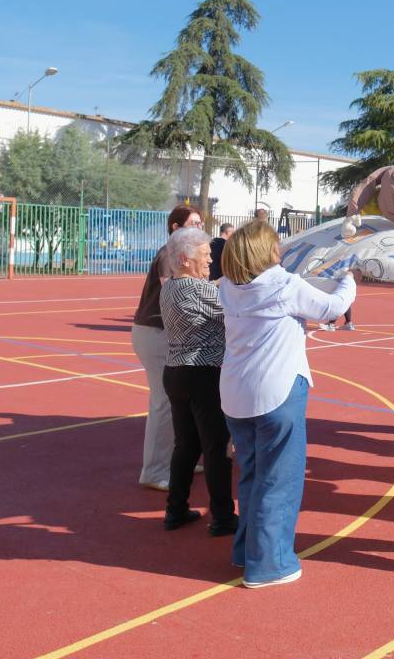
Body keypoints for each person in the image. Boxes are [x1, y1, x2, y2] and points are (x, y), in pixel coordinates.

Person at [219, 220, 357, 588]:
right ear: (269, 252)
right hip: (276, 390)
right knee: (279, 477)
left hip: (235, 393)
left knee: (251, 474)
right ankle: (269, 563)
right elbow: (332, 306)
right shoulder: (284, 285)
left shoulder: (228, 288)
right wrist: (349, 278)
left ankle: (245, 550)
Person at [158, 227, 237, 536]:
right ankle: (222, 516)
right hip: (203, 373)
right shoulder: (198, 290)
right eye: (205, 256)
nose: (210, 261)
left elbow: (211, 292)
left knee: (186, 446)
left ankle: (175, 509)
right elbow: (235, 310)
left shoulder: (169, 287)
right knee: (217, 447)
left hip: (176, 372)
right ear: (185, 259)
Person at [132, 205, 204, 492]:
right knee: (163, 402)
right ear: (176, 228)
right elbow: (175, 292)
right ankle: (154, 470)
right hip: (156, 332)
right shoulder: (169, 255)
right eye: (194, 223)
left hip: (166, 333)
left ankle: (179, 459)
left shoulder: (185, 256)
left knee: (180, 399)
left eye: (201, 223)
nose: (199, 228)